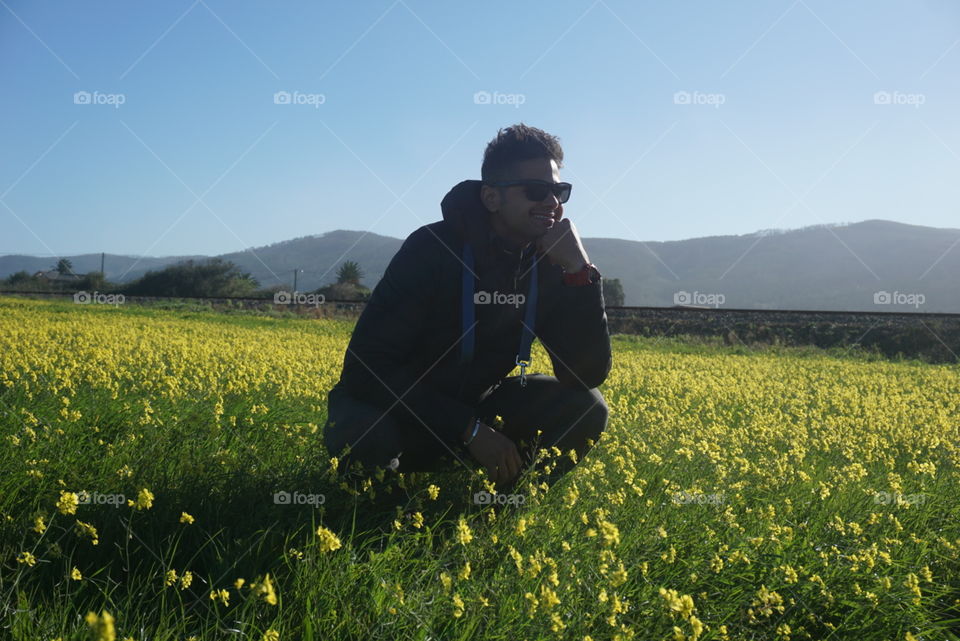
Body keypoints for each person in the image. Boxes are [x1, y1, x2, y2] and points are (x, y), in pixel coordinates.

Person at [323, 123, 612, 491]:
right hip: (399, 412)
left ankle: (501, 505)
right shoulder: (431, 249)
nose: (552, 203)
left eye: (559, 191)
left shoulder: (550, 265)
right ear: (492, 198)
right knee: (365, 434)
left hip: (477, 408)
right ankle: (370, 516)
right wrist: (468, 428)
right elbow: (366, 371)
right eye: (537, 191)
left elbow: (585, 376)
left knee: (587, 406)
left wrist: (580, 274)